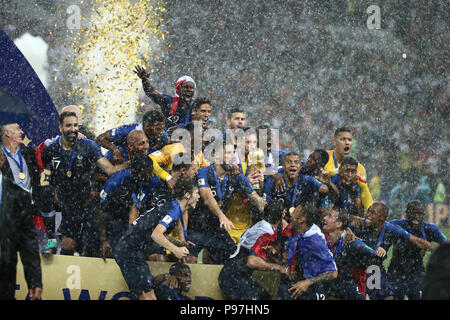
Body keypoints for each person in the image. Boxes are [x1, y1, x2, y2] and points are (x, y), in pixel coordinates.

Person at [40, 111, 128, 256]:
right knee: (68, 244)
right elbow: (46, 178)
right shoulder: (51, 150)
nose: (73, 129)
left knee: (90, 248)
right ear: (60, 128)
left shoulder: (89, 146)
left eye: (75, 125)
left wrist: (129, 164)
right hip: (67, 204)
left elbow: (110, 169)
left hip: (87, 202)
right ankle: (61, 274)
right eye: (68, 125)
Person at [113, 177, 199, 300]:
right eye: (196, 193)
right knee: (148, 296)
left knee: (147, 294)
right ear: (187, 195)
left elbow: (157, 233)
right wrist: (175, 250)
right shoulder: (174, 210)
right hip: (128, 252)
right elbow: (156, 235)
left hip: (132, 250)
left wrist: (179, 243)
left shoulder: (173, 207)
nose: (198, 196)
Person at [189, 139, 266, 264]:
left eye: (233, 153)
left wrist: (271, 213)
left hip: (217, 228)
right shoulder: (204, 172)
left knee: (231, 259)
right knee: (189, 259)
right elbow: (207, 197)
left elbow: (255, 197)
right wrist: (221, 215)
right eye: (228, 153)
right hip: (197, 225)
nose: (232, 157)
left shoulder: (236, 176)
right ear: (216, 154)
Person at [348, 202, 436, 300]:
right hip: (354, 269)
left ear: (381, 218)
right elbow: (340, 224)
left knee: (389, 297)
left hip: (373, 269)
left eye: (373, 213)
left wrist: (438, 250)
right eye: (368, 211)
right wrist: (348, 229)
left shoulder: (390, 228)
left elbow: (416, 240)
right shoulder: (358, 225)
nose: (368, 215)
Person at [218, 199, 290, 300]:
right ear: (283, 215)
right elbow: (251, 261)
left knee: (265, 297)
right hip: (232, 277)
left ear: (263, 213)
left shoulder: (261, 225)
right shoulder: (267, 232)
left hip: (233, 274)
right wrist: (280, 268)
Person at [97, 153, 157, 259]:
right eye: (148, 172)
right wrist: (103, 240)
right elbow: (100, 209)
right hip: (109, 219)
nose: (152, 175)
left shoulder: (148, 181)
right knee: (112, 253)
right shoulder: (116, 181)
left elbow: (136, 206)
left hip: (127, 220)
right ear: (137, 172)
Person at [0, 149, 42, 300]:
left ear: (2, 160)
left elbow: (27, 242)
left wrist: (34, 280)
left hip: (4, 276)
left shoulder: (19, 196)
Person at [276, 202, 338, 300]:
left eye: (294, 212)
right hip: (290, 285)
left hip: (310, 290)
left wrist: (307, 282)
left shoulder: (315, 240)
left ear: (301, 219)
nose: (290, 214)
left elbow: (333, 272)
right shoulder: (293, 230)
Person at [388, 200, 448, 300]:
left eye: (419, 213)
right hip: (395, 273)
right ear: (406, 213)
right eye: (413, 212)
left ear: (423, 215)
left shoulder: (430, 228)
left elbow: (446, 246)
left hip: (417, 274)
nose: (416, 216)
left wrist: (435, 252)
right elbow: (381, 229)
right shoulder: (396, 225)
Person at [321, 208, 380, 300]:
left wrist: (380, 249)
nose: (324, 218)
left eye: (329, 216)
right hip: (324, 285)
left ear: (339, 223)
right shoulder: (320, 236)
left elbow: (375, 256)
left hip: (344, 287)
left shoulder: (353, 243)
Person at [264, 152, 336, 221]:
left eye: (296, 162)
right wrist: (274, 173)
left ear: (300, 166)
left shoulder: (307, 179)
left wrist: (328, 183)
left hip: (298, 222)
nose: (293, 164)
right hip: (277, 220)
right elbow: (265, 205)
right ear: (283, 165)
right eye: (289, 162)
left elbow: (332, 192)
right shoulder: (274, 180)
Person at [323, 127, 374, 210]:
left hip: (344, 209)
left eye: (349, 140)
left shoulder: (359, 168)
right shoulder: (324, 157)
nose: (347, 143)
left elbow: (364, 192)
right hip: (323, 204)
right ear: (334, 142)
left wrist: (371, 212)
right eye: (343, 139)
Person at [95, 109, 168, 164]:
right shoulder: (127, 131)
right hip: (115, 166)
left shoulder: (163, 136)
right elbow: (100, 138)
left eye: (162, 129)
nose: (161, 132)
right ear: (147, 127)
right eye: (158, 129)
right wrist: (115, 150)